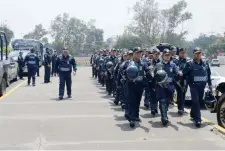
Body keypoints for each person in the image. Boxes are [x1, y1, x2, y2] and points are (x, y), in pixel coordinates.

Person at [182, 47, 212, 127]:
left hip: (202, 86)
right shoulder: (189, 64)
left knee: (198, 101)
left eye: (199, 53)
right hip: (193, 85)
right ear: (194, 54)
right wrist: (183, 85)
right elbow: (184, 75)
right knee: (196, 101)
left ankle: (192, 113)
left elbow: (208, 74)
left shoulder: (205, 63)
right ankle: (198, 119)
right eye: (196, 53)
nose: (198, 55)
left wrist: (210, 85)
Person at [125, 47, 153, 128]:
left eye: (140, 53)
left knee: (137, 101)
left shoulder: (143, 63)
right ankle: (132, 118)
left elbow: (147, 72)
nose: (139, 54)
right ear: (133, 53)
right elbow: (122, 72)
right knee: (132, 101)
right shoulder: (128, 63)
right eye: (137, 53)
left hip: (140, 85)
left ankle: (136, 115)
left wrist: (151, 78)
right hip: (131, 85)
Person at [154, 49, 181, 126]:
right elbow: (153, 75)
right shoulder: (158, 65)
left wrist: (179, 74)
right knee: (162, 101)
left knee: (167, 101)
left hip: (170, 86)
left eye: (169, 55)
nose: (167, 56)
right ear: (163, 56)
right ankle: (164, 117)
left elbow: (177, 73)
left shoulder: (173, 65)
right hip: (160, 86)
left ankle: (164, 112)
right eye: (166, 55)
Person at [173, 48, 188, 115]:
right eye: (182, 53)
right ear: (179, 53)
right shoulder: (175, 61)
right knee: (180, 93)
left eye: (184, 53)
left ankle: (182, 107)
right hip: (178, 80)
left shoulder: (187, 61)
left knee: (184, 93)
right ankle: (180, 109)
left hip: (185, 80)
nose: (183, 54)